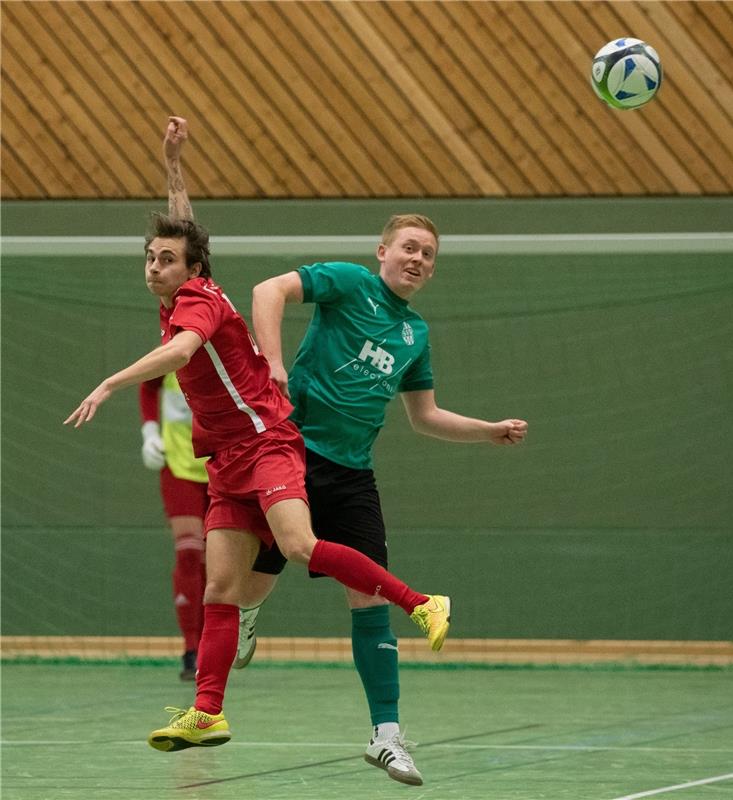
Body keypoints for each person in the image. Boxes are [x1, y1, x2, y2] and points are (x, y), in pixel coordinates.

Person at [162, 117, 528, 785]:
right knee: (240, 581)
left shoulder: (414, 332)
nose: (418, 260)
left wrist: (486, 430)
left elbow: (423, 416)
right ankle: (236, 633)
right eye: (409, 248)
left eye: (429, 255)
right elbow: (268, 290)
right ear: (382, 250)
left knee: (366, 601)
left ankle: (386, 735)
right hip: (290, 455)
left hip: (352, 475)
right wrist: (272, 361)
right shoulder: (348, 283)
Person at [64, 205, 451, 755]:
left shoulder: (198, 303)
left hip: (267, 443)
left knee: (299, 545)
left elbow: (180, 350)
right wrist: (173, 165)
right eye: (149, 258)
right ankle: (207, 713)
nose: (153, 266)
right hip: (224, 459)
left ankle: (418, 603)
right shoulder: (177, 295)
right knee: (219, 588)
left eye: (165, 259)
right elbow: (184, 229)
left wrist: (108, 384)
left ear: (194, 268)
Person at [139, 373, 208, 680]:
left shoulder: (230, 353)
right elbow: (147, 385)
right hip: (179, 467)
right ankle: (191, 648)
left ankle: (212, 645)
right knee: (190, 552)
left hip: (224, 464)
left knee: (219, 560)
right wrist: (150, 431)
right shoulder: (169, 353)